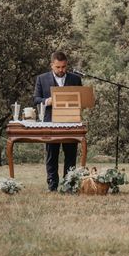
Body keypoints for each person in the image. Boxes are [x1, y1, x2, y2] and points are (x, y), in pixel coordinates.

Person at [33, 51, 82, 191]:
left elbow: (80, 98)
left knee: (71, 154)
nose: (61, 70)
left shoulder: (75, 79)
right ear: (52, 65)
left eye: (64, 67)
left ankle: (69, 184)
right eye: (58, 67)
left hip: (71, 121)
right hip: (50, 121)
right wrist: (47, 101)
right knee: (51, 155)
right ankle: (52, 186)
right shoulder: (41, 79)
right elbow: (36, 99)